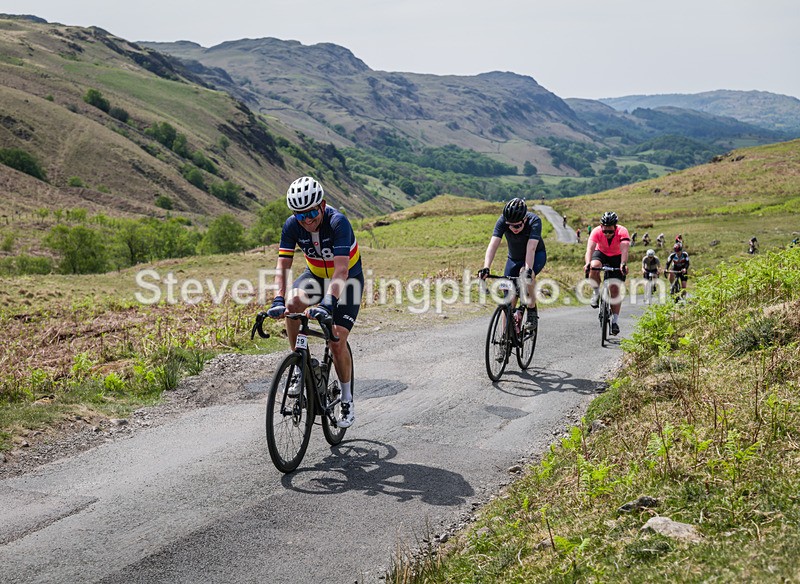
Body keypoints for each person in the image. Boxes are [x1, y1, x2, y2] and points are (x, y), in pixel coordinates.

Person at [265, 176, 363, 428]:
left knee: (337, 338)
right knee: (292, 304)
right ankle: (299, 365)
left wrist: (328, 304)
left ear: (322, 205)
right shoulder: (292, 226)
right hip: (316, 277)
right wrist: (278, 298)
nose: (307, 220)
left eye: (311, 212)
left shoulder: (338, 222)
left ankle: (346, 399)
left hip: (347, 280)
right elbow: (283, 266)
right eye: (300, 215)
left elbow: (341, 271)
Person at [479, 198, 547, 331]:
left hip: (536, 255)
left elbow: (531, 249)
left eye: (517, 226)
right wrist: (486, 267)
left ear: (524, 220)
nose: (512, 228)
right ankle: (506, 337)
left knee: (526, 276)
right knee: (509, 300)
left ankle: (532, 310)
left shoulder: (534, 222)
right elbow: (493, 245)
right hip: (514, 259)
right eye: (509, 225)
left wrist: (528, 270)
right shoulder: (502, 221)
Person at [585, 211, 630, 336]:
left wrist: (623, 264)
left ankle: (615, 321)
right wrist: (587, 263)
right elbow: (590, 248)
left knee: (614, 289)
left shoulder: (622, 231)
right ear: (601, 227)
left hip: (617, 256)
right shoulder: (596, 231)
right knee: (594, 267)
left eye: (610, 231)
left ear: (615, 227)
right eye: (605, 231)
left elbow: (625, 249)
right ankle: (596, 292)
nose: (607, 234)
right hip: (601, 254)